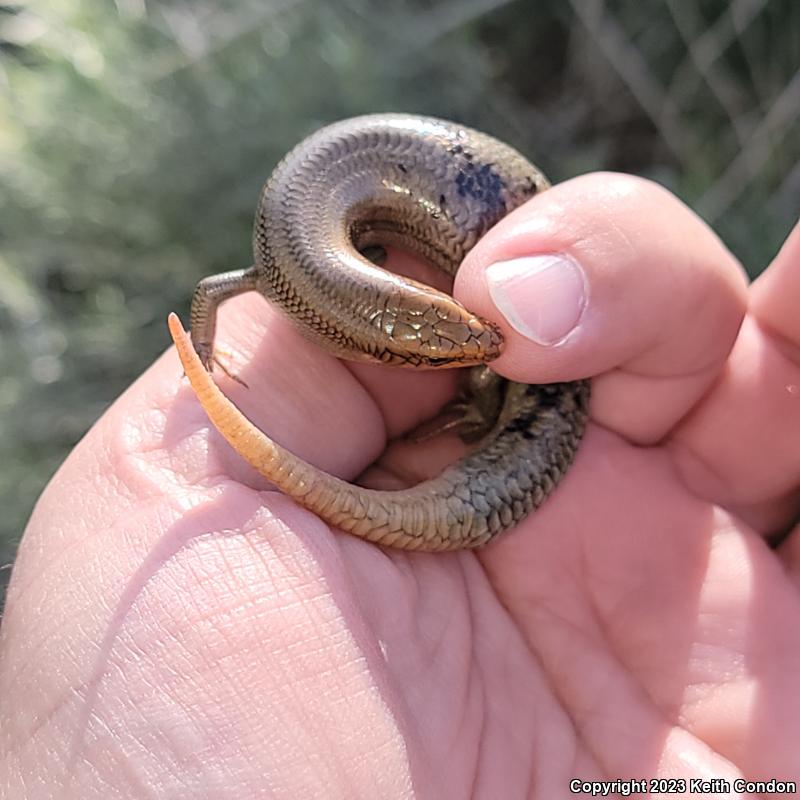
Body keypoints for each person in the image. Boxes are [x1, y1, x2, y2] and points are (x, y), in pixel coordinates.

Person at [2, 173, 798, 797]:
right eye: (433, 356)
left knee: (529, 325)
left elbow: (213, 290)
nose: (472, 347)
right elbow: (218, 292)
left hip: (468, 211)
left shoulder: (290, 278)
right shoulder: (289, 287)